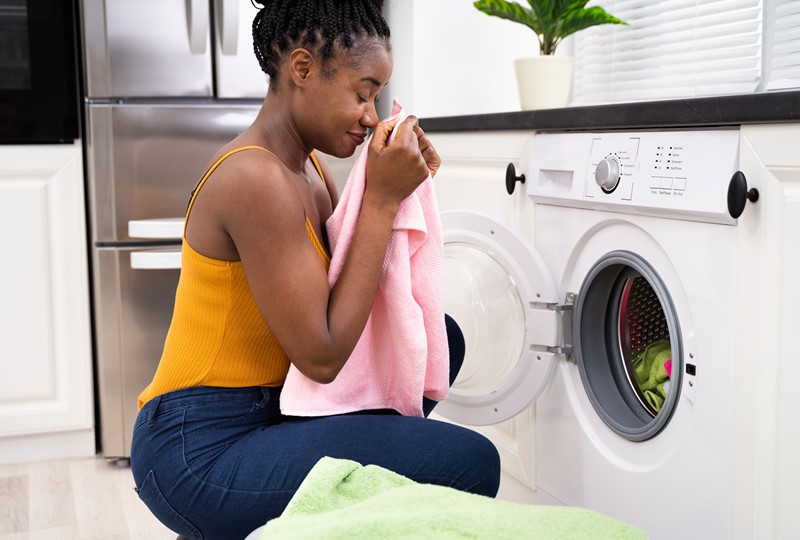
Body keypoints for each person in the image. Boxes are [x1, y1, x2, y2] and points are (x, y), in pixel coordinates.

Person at [129, 1, 501, 538]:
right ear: (302, 70)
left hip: (273, 407)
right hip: (197, 448)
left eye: (376, 97)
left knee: (442, 338)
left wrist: (394, 193)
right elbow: (323, 356)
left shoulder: (310, 172)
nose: (371, 114)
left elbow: (349, 301)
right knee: (472, 461)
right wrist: (379, 202)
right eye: (361, 92)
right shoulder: (255, 178)